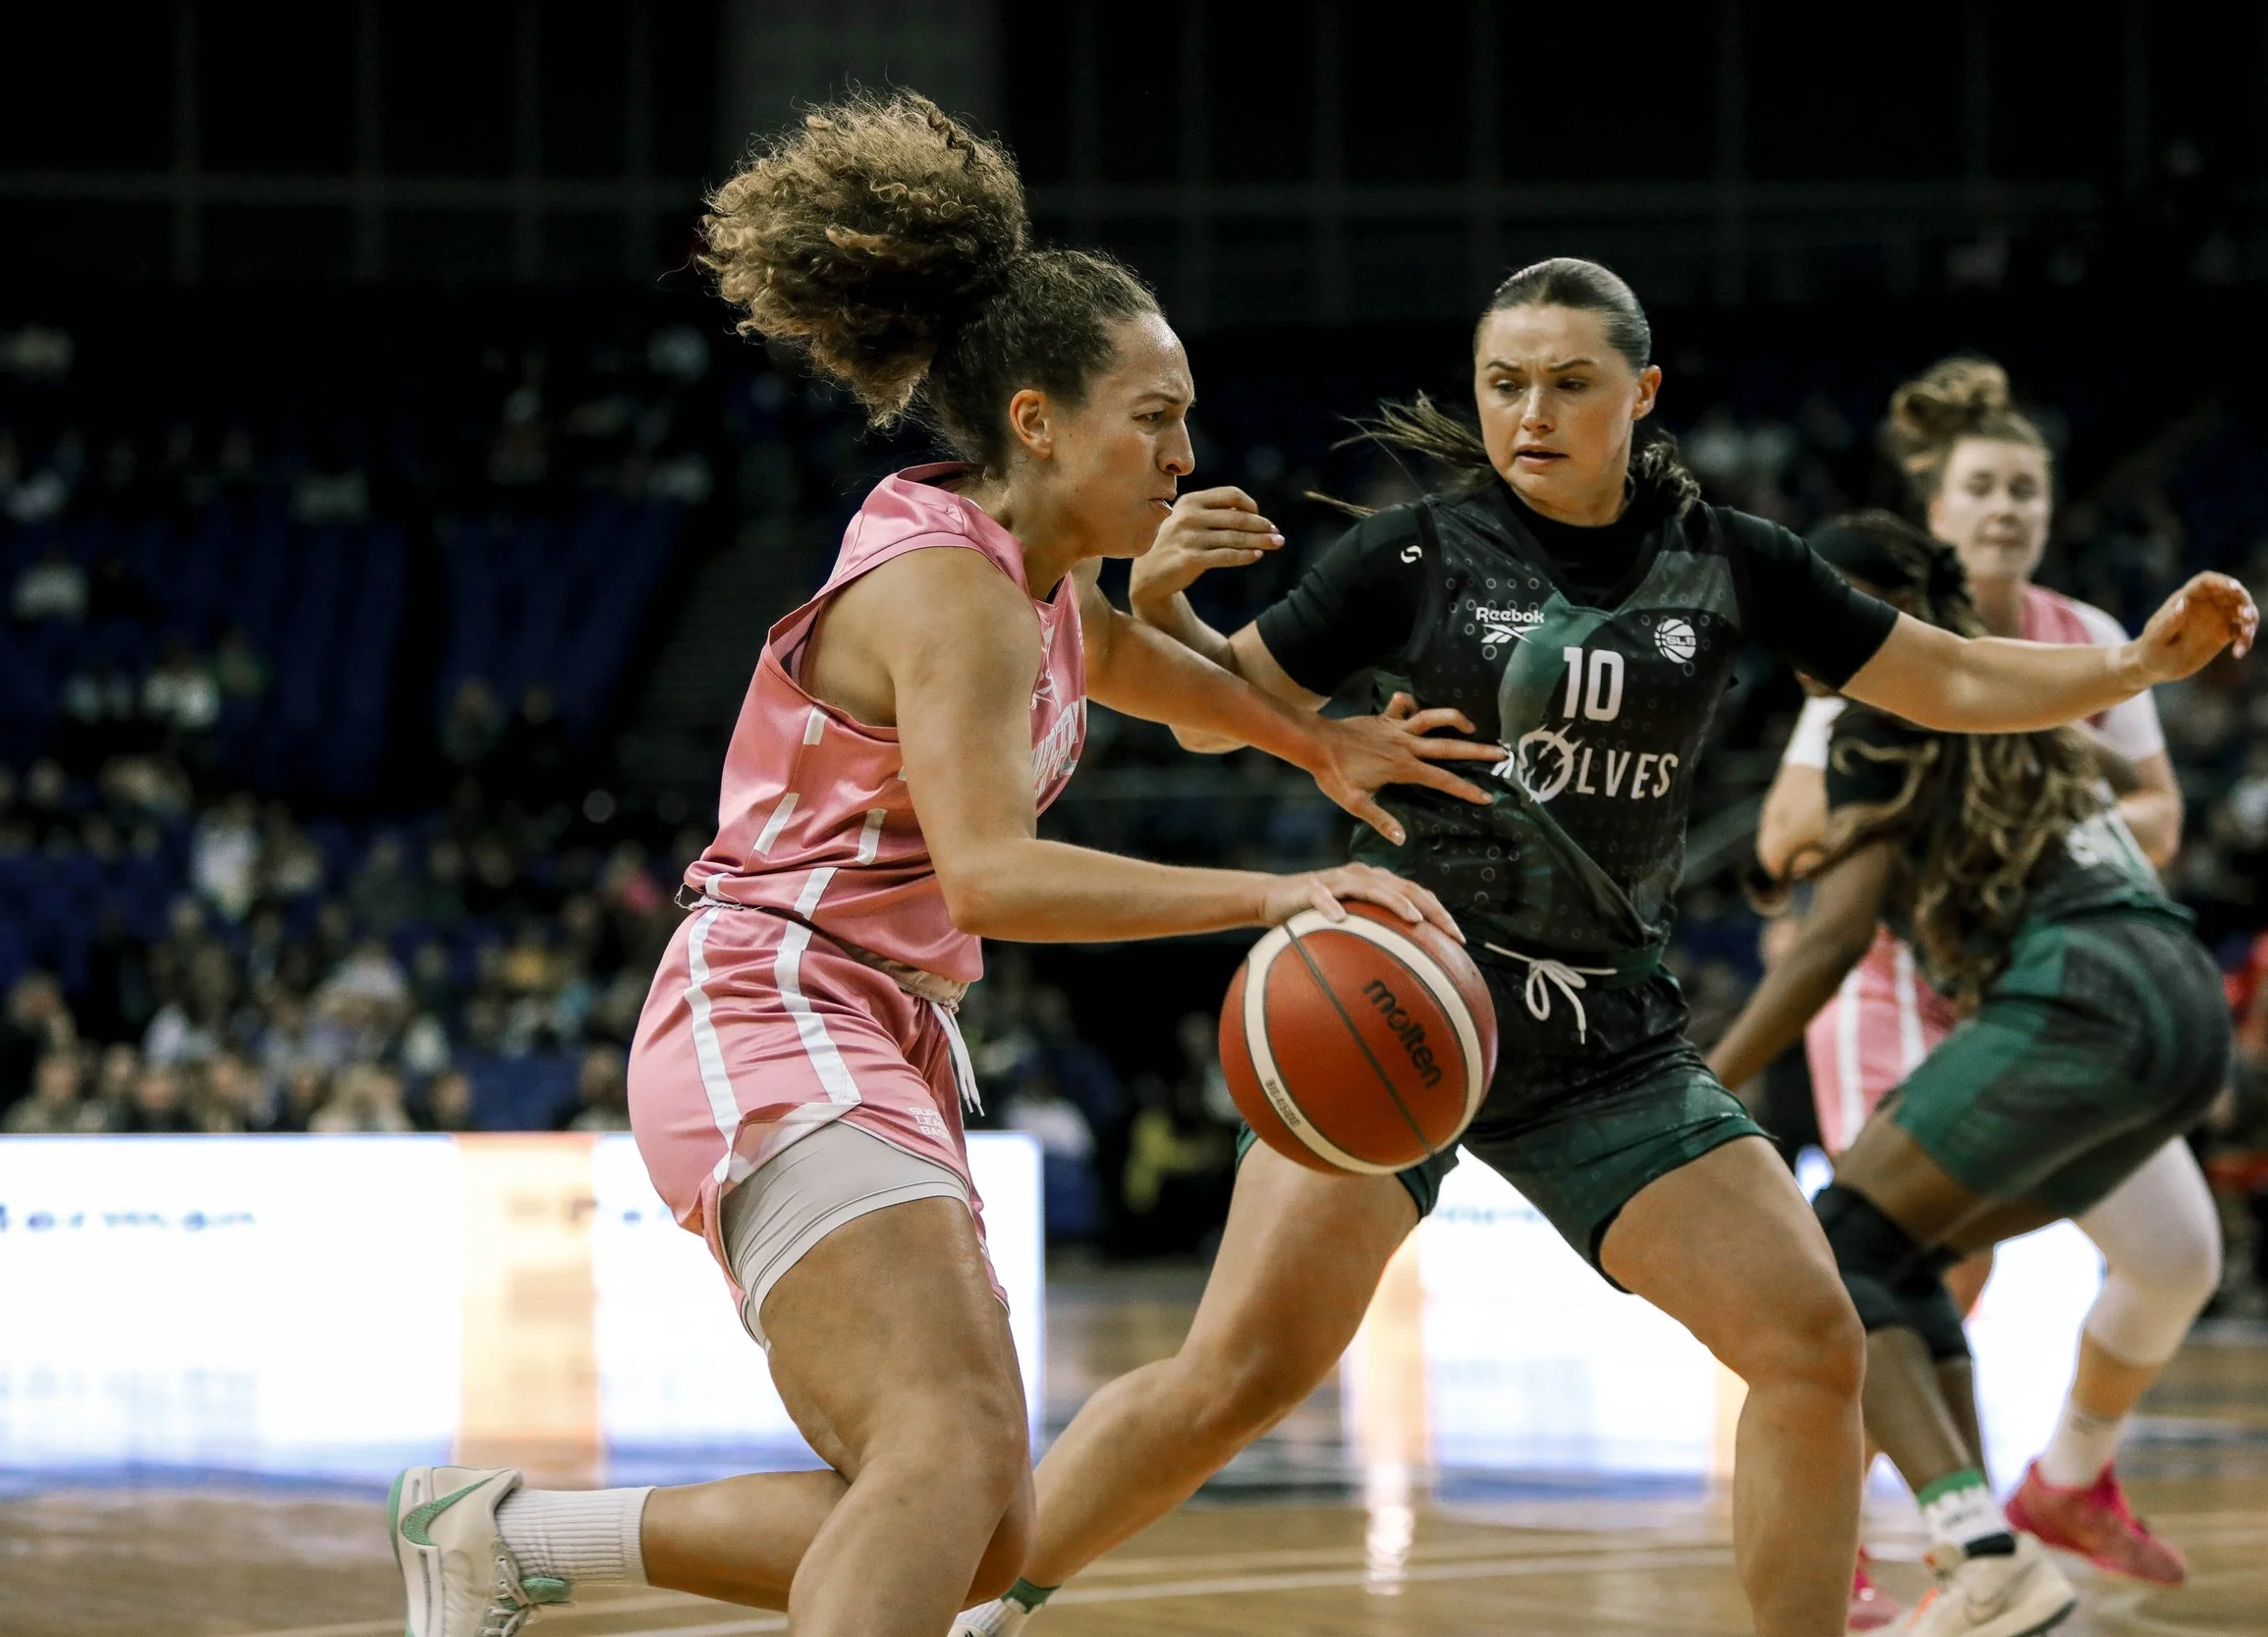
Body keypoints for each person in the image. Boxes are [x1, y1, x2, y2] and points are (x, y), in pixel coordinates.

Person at [957, 258, 2255, 1637]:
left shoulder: (1731, 557)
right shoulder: (1413, 551)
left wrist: (2130, 672)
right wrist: (1161, 613)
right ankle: (985, 1604)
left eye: (1571, 382)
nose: (1532, 409)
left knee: (1811, 1339)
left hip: (1606, 1042)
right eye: (1504, 382)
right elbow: (1226, 715)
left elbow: (1938, 672)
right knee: (1236, 1373)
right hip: (1402, 999)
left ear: (1640, 392)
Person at [385, 92, 1487, 1637]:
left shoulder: (1030, 581)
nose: (1185, 448)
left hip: (867, 1024)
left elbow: (1171, 686)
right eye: (1152, 416)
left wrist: (1320, 747)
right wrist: (1278, 895)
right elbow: (995, 878)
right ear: (1036, 421)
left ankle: (506, 1536)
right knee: (948, 1449)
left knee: (976, 1522)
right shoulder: (950, 590)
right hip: (778, 1000)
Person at [1709, 521, 2235, 1635]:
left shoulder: (1872, 715)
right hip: (2182, 996)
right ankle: (1990, 1553)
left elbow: (1829, 940)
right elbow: (2109, 774)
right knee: (1903, 1253)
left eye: (1819, 596)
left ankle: (1976, 1544)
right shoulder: (2007, 696)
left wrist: (1706, 1076)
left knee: (1842, 1246)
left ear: (1874, 605)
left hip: (2078, 990)